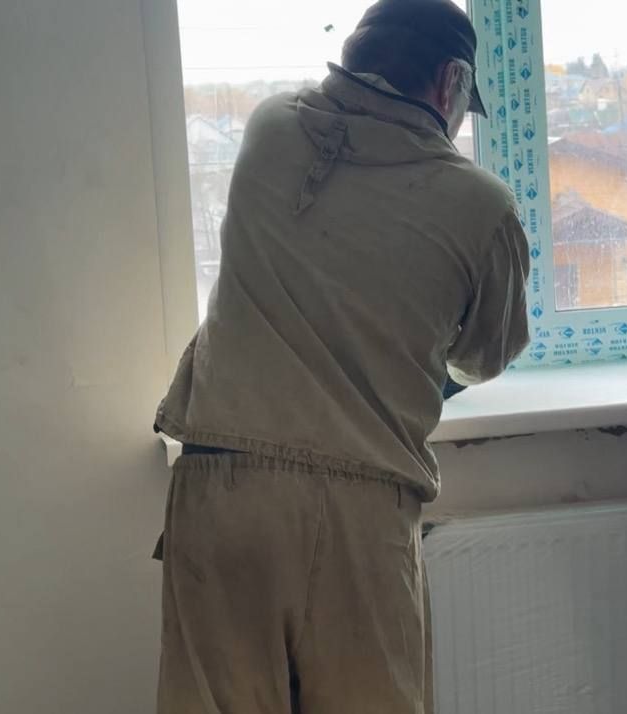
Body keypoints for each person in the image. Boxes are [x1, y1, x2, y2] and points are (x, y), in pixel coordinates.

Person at [152, 1, 530, 711]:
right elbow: (481, 359)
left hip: (220, 484)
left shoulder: (270, 126)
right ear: (451, 82)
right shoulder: (482, 205)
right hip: (359, 503)